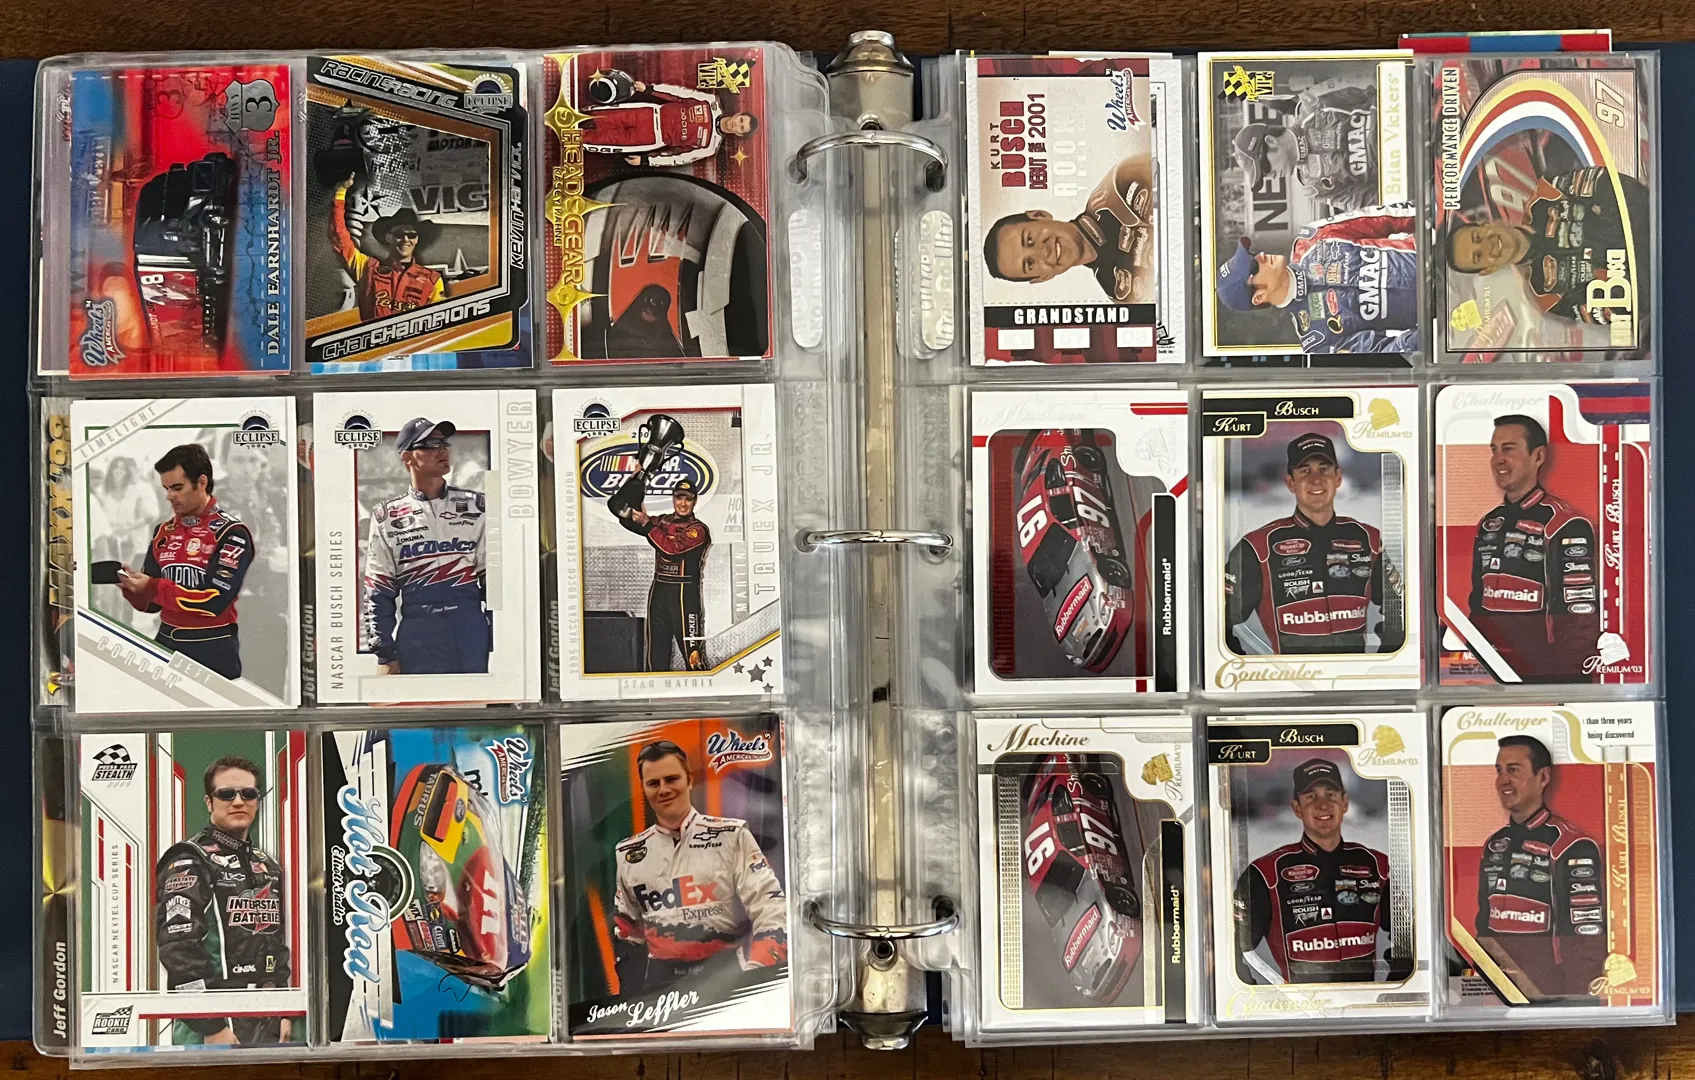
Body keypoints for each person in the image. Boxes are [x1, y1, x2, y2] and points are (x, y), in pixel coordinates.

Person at [612, 741, 787, 995]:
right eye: (653, 783)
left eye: (672, 779)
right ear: (644, 789)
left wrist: (757, 973)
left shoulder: (732, 835)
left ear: (689, 780)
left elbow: (771, 908)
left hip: (726, 978)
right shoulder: (628, 853)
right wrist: (632, 997)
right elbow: (627, 933)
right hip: (659, 989)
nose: (663, 789)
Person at [1224, 432, 1404, 655]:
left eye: (1324, 469)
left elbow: (1398, 607)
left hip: (1355, 674)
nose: (1316, 479)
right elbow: (1217, 621)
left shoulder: (1368, 539)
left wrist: (1386, 661)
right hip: (1293, 675)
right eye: (1305, 471)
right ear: (1290, 482)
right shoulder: (1258, 547)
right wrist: (1245, 669)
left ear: (1338, 478)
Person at [154, 755, 292, 1045]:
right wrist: (211, 1025)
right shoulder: (189, 859)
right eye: (227, 794)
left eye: (248, 793)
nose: (238, 802)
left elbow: (276, 945)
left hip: (267, 1017)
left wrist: (284, 1011)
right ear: (209, 802)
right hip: (212, 1022)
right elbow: (178, 948)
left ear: (257, 801)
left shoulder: (268, 865)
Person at [1233, 758, 1407, 984]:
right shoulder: (1266, 873)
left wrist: (1396, 987)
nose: (1323, 805)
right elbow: (1233, 949)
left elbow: (1407, 936)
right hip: (1302, 1003)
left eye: (1331, 795)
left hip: (1365, 1000)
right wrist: (1256, 996)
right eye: (1311, 797)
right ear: (1297, 807)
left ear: (1344, 803)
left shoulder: (1377, 865)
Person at [1467, 414, 1601, 681]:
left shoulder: (1564, 523)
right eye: (1494, 450)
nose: (1498, 459)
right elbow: (1478, 604)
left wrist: (1562, 684)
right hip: (1495, 675)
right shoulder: (1488, 523)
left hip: (1546, 678)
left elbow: (1581, 619)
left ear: (1538, 456)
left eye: (1509, 449)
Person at [1473, 735, 1606, 998]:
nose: (1503, 780)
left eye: (1514, 770)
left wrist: (1576, 1002)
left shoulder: (1571, 844)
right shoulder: (1494, 844)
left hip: (1553, 996)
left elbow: (1587, 939)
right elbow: (1484, 927)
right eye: (1499, 771)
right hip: (1501, 994)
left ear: (1543, 777)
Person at [1445, 167, 1649, 331]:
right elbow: (1620, 309)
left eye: (1477, 237)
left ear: (1486, 224)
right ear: (1488, 269)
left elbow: (1617, 187)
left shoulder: (1547, 193)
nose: (1488, 245)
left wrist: (1620, 242)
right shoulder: (1545, 295)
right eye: (1479, 256)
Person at [113, 443, 253, 680]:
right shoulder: (162, 531)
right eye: (166, 488)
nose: (169, 496)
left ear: (202, 482)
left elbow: (215, 600)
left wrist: (152, 587)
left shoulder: (232, 533)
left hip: (213, 646)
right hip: (167, 642)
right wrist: (133, 587)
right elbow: (152, 605)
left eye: (177, 487)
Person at [364, 417, 490, 674]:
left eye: (444, 443)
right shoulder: (386, 516)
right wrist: (384, 654)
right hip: (419, 631)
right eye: (431, 445)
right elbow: (378, 590)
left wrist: (504, 638)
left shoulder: (478, 506)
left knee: (473, 700)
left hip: (469, 628)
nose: (442, 450)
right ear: (407, 457)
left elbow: (494, 581)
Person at [1216, 204, 1419, 353]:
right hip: (1433, 315)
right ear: (1259, 296)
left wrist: (1432, 217)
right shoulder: (1318, 340)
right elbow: (1387, 351)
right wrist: (1431, 328)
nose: (1260, 255)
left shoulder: (1312, 237)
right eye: (1253, 266)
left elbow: (1384, 217)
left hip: (1434, 251)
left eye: (1252, 253)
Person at [981, 155, 1157, 305]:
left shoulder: (1119, 187)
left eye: (1030, 239)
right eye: (1030, 264)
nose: (1043, 251)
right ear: (1043, 278)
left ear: (1040, 215)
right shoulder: (1119, 293)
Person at [1230, 82, 1378, 212]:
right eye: (1264, 176)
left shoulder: (1312, 104)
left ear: (1271, 141)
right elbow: (1369, 202)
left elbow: (1374, 90)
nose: (1270, 176)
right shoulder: (1314, 186)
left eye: (1265, 168)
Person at [613, 477, 711, 671]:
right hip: (659, 589)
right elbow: (627, 520)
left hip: (684, 594)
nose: (683, 503)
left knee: (693, 654)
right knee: (655, 652)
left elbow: (671, 550)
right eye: (679, 498)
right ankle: (656, 686)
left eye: (688, 499)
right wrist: (636, 482)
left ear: (695, 501)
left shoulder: (698, 530)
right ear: (673, 498)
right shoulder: (662, 521)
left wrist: (647, 524)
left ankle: (701, 687)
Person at [330, 175, 446, 320]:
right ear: (388, 237)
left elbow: (438, 321)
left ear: (416, 239)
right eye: (399, 234)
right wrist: (341, 191)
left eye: (411, 235)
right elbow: (338, 238)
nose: (406, 239)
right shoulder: (367, 268)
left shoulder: (432, 280)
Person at [581, 77, 758, 167]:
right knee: (602, 116)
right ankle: (571, 116)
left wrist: (647, 161)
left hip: (651, 138)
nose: (737, 124)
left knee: (605, 139)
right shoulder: (710, 102)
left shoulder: (710, 146)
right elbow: (679, 93)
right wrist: (650, 89)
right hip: (649, 114)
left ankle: (573, 139)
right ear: (738, 114)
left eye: (741, 127)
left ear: (739, 133)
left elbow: (678, 158)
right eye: (741, 120)